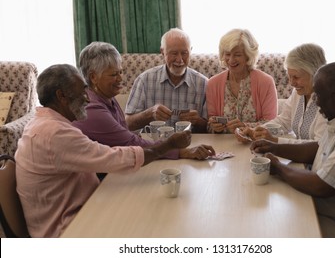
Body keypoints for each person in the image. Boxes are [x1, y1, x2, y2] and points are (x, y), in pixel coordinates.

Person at [15, 64, 192, 238]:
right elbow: (114, 157)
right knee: (155, 219)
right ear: (61, 96)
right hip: (67, 229)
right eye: (81, 92)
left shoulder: (45, 123)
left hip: (79, 209)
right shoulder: (55, 133)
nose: (87, 98)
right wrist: (169, 145)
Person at [250, 61, 335, 237]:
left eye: (317, 95)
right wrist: (275, 148)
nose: (314, 102)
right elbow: (319, 148)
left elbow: (321, 186)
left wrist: (278, 168)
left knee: (280, 231)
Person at [72, 41, 215, 166]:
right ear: (93, 77)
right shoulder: (92, 109)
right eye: (114, 74)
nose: (121, 78)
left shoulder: (106, 96)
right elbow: (131, 143)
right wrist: (180, 150)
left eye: (121, 72)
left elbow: (126, 134)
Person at [236, 43, 327, 144]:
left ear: (314, 73)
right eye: (289, 76)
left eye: (296, 77)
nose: (291, 83)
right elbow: (283, 121)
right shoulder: (298, 93)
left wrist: (275, 140)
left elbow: (319, 146)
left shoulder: (327, 101)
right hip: (299, 157)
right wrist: (256, 131)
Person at [125, 28, 208, 133]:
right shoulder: (144, 80)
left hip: (190, 145)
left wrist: (198, 121)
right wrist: (149, 114)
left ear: (190, 51)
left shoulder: (204, 84)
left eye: (184, 53)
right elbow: (127, 124)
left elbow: (211, 129)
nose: (179, 59)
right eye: (174, 53)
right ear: (162, 52)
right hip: (154, 146)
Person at [206, 28, 278, 134]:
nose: (231, 60)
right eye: (227, 54)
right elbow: (208, 126)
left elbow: (271, 124)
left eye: (237, 55)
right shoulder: (213, 84)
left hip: (256, 143)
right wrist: (213, 126)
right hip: (222, 145)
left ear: (248, 56)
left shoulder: (266, 82)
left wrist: (245, 126)